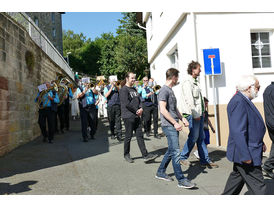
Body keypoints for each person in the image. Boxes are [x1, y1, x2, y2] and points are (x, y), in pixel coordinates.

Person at [222, 75, 267, 195]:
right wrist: (245, 155)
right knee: (259, 190)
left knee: (233, 186)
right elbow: (238, 131)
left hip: (249, 150)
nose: (258, 89)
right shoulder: (238, 102)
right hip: (247, 153)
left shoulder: (244, 100)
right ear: (249, 88)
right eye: (257, 87)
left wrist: (260, 142)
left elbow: (250, 126)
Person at [155, 68, 196, 189]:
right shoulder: (163, 90)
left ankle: (160, 172)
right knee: (176, 151)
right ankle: (181, 179)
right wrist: (174, 123)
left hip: (173, 124)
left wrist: (182, 118)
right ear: (173, 77)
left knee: (171, 150)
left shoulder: (170, 90)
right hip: (169, 125)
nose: (178, 79)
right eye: (177, 77)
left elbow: (174, 108)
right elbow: (163, 110)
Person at [180, 61, 218, 168]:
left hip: (199, 114)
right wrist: (195, 114)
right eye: (198, 68)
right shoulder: (188, 82)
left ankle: (204, 160)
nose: (200, 70)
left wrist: (201, 114)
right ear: (193, 70)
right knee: (194, 137)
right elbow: (189, 100)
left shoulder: (195, 82)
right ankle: (183, 157)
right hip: (193, 114)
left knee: (201, 137)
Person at [119, 72, 157, 163]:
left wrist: (140, 108)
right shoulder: (124, 90)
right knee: (128, 136)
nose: (134, 80)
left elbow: (139, 99)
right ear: (127, 78)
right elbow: (126, 104)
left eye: (134, 78)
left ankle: (145, 155)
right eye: (132, 78)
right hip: (128, 116)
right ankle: (126, 154)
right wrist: (136, 110)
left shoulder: (134, 89)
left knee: (140, 135)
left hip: (136, 115)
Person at [262, 82, 274, 179]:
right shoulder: (272, 90)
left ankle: (268, 166)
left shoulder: (268, 89)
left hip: (270, 122)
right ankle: (268, 165)